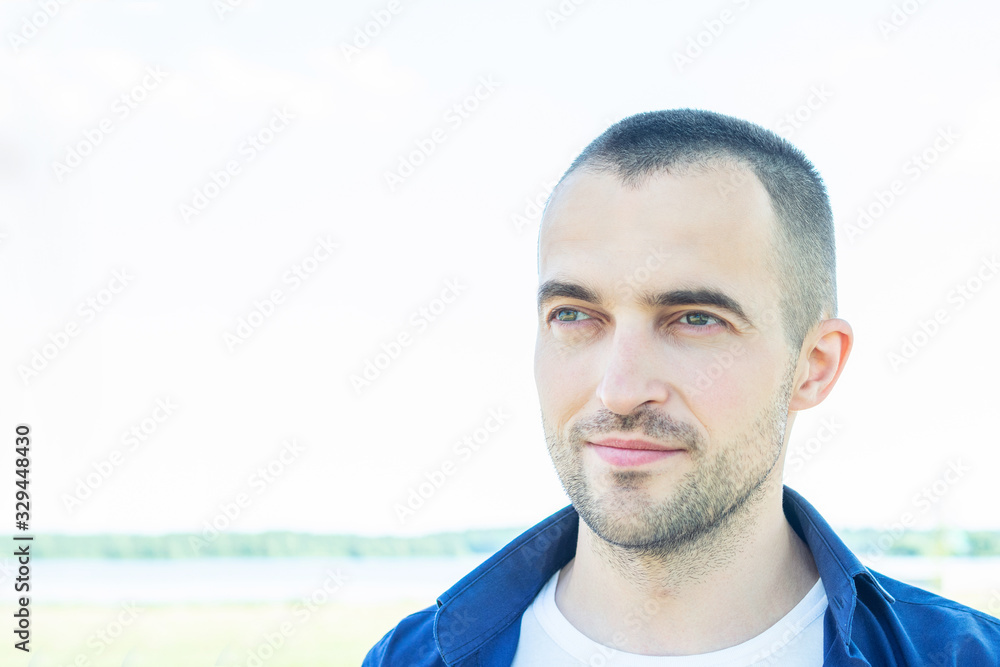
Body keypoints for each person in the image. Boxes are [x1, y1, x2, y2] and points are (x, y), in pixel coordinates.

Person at [362, 109, 1000, 666]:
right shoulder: (410, 658)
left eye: (696, 319)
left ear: (814, 365)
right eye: (575, 315)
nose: (618, 389)